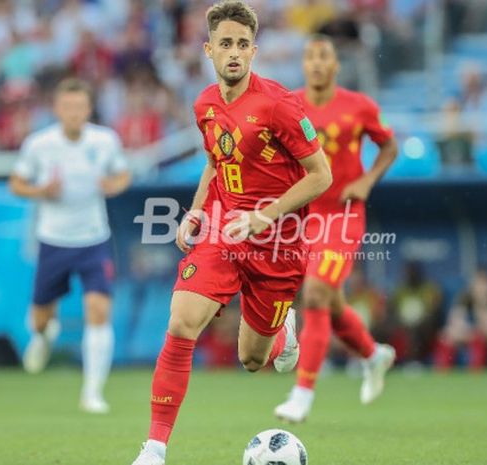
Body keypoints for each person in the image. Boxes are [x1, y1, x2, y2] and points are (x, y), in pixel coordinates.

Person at [130, 3, 332, 464]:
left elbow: (321, 175)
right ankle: (155, 448)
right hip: (223, 229)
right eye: (225, 44)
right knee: (181, 321)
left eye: (243, 44)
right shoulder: (204, 104)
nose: (234, 52)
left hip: (278, 242)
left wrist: (265, 216)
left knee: (252, 359)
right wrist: (195, 212)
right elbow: (213, 163)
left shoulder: (280, 104)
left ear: (254, 50)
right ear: (209, 49)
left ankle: (283, 332)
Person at [274, 35, 398, 424]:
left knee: (314, 294)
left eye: (323, 56)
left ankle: (302, 394)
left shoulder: (359, 106)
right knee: (329, 299)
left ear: (335, 65)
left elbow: (390, 146)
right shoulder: (289, 105)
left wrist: (367, 181)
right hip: (303, 216)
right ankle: (373, 355)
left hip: (342, 215)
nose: (315, 63)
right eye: (309, 56)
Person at [9, 78, 131, 414]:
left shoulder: (105, 140)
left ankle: (92, 392)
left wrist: (112, 184)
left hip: (94, 239)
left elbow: (123, 175)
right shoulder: (39, 144)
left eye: (80, 106)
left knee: (98, 310)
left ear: (88, 109)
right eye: (68, 106)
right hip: (53, 240)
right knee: (40, 319)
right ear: (57, 109)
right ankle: (43, 336)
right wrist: (40, 191)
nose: (74, 113)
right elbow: (16, 183)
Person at [435, 268, 487, 370]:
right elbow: (455, 319)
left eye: (483, 283)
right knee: (447, 335)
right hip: (469, 334)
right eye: (477, 283)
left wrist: (482, 302)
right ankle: (442, 371)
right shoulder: (465, 297)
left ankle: (476, 370)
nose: (479, 287)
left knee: (480, 336)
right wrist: (461, 330)